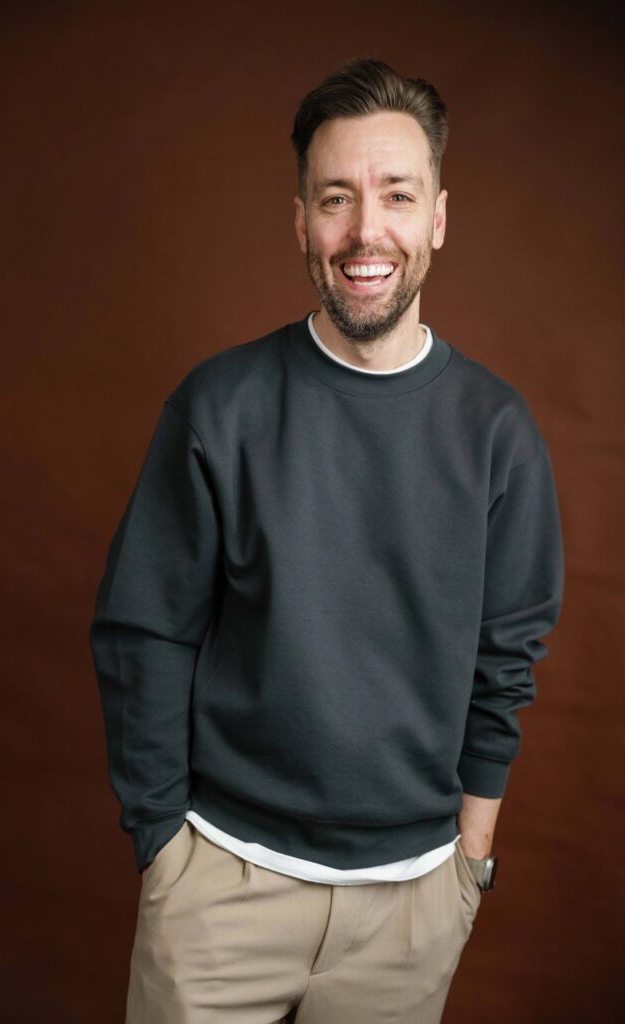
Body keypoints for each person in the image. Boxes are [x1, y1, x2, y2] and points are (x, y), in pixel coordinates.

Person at [89, 57, 565, 1023]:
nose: (364, 232)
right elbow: (144, 630)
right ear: (300, 220)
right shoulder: (218, 405)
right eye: (334, 198)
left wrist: (469, 864)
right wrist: (161, 843)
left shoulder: (497, 432)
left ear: (436, 216)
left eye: (397, 195)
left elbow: (505, 658)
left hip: (412, 905)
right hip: (218, 889)